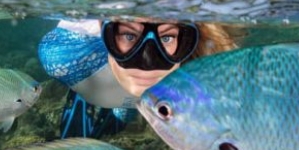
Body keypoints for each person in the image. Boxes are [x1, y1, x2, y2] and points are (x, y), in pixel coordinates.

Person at [38, 18, 238, 138]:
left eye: (167, 38)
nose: (147, 62)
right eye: (129, 36)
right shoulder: (63, 57)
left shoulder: (201, 91)